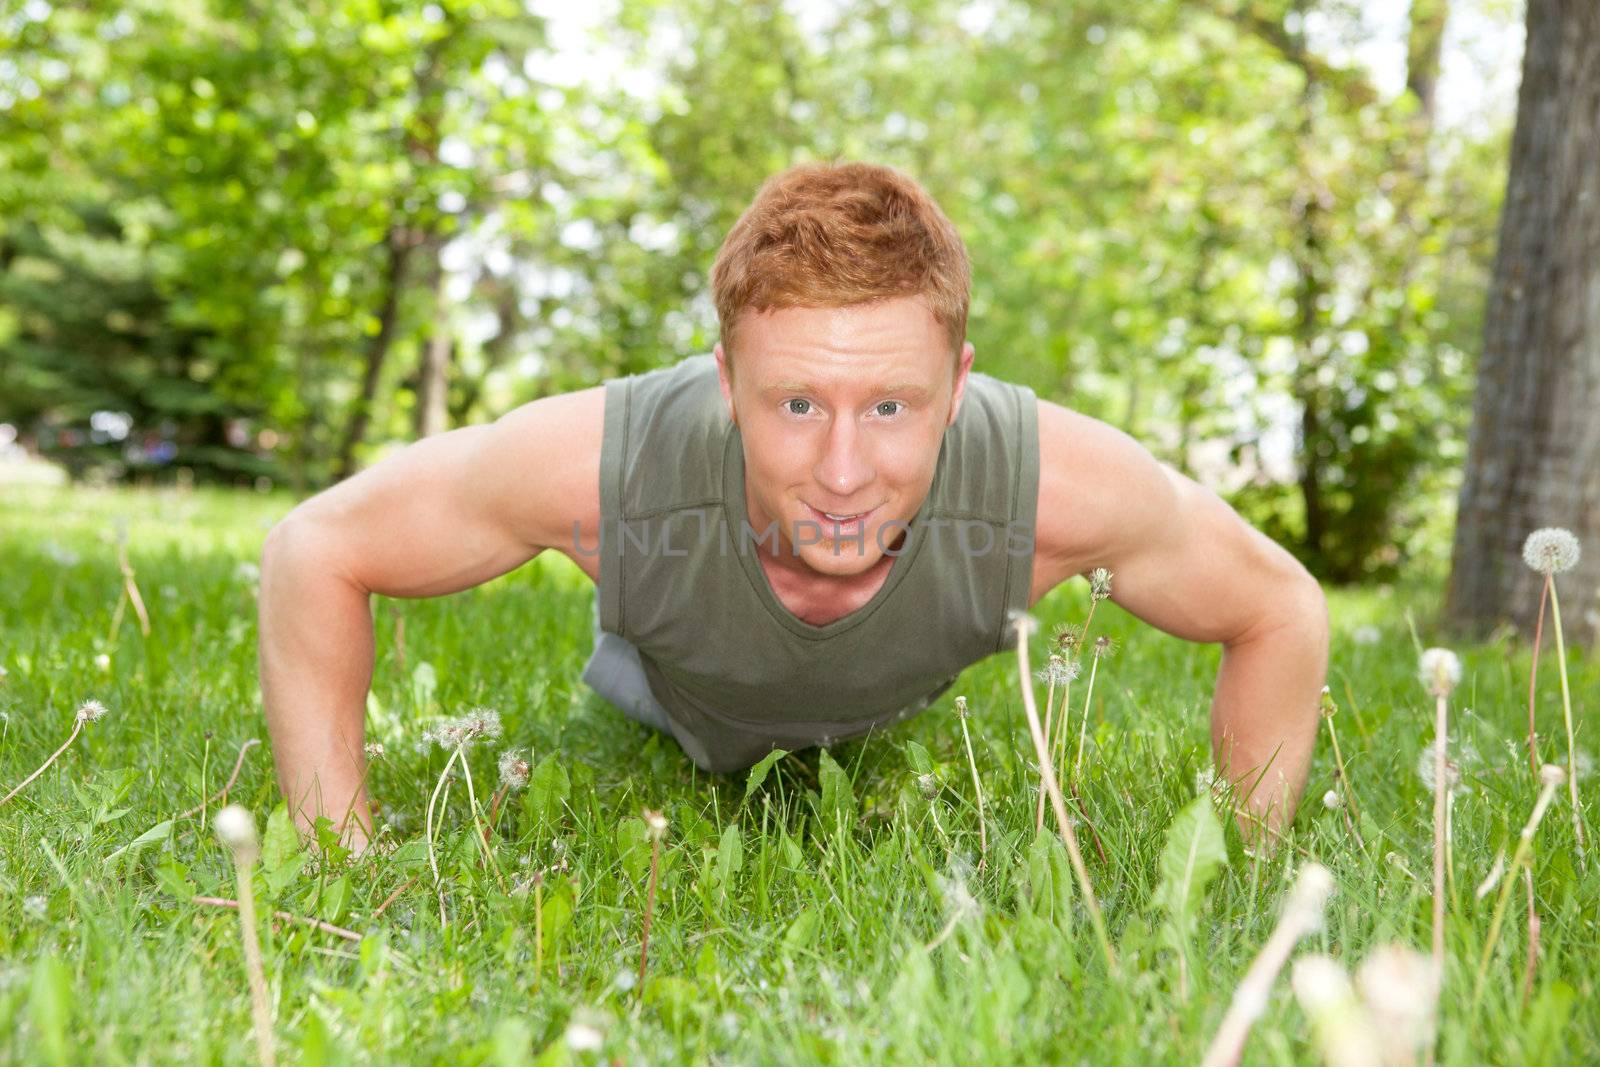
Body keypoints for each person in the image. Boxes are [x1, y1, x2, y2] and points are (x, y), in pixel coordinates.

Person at [258, 161, 1328, 854]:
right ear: (725, 381)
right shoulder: (600, 463)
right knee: (631, 703)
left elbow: (1279, 607)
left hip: (887, 699)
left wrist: (1240, 863)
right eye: (796, 401)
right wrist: (335, 852)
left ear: (958, 385)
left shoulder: (1059, 487)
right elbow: (317, 545)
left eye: (894, 404)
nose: (843, 466)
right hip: (663, 688)